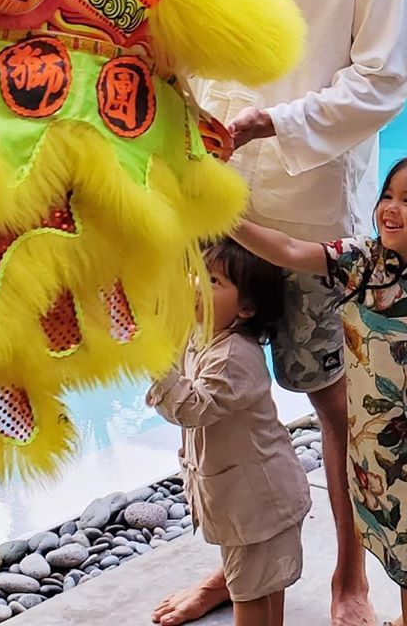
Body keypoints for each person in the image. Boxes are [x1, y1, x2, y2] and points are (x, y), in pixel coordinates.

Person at [154, 0, 407, 626]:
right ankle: (237, 576)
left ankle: (349, 576)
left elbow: (383, 81)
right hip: (218, 214)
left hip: (311, 217)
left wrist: (276, 123)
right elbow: (188, 53)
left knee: (332, 404)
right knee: (215, 405)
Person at [233, 154, 407, 626]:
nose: (390, 208)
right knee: (384, 544)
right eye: (387, 197)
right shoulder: (364, 261)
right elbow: (291, 251)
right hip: (367, 444)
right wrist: (226, 219)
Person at [147, 240, 312, 626]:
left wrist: (152, 359)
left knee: (250, 596)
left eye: (214, 281)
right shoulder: (203, 335)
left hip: (257, 503)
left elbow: (191, 408)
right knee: (263, 584)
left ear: (246, 309)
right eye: (197, 274)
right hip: (249, 500)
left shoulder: (235, 356)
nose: (196, 285)